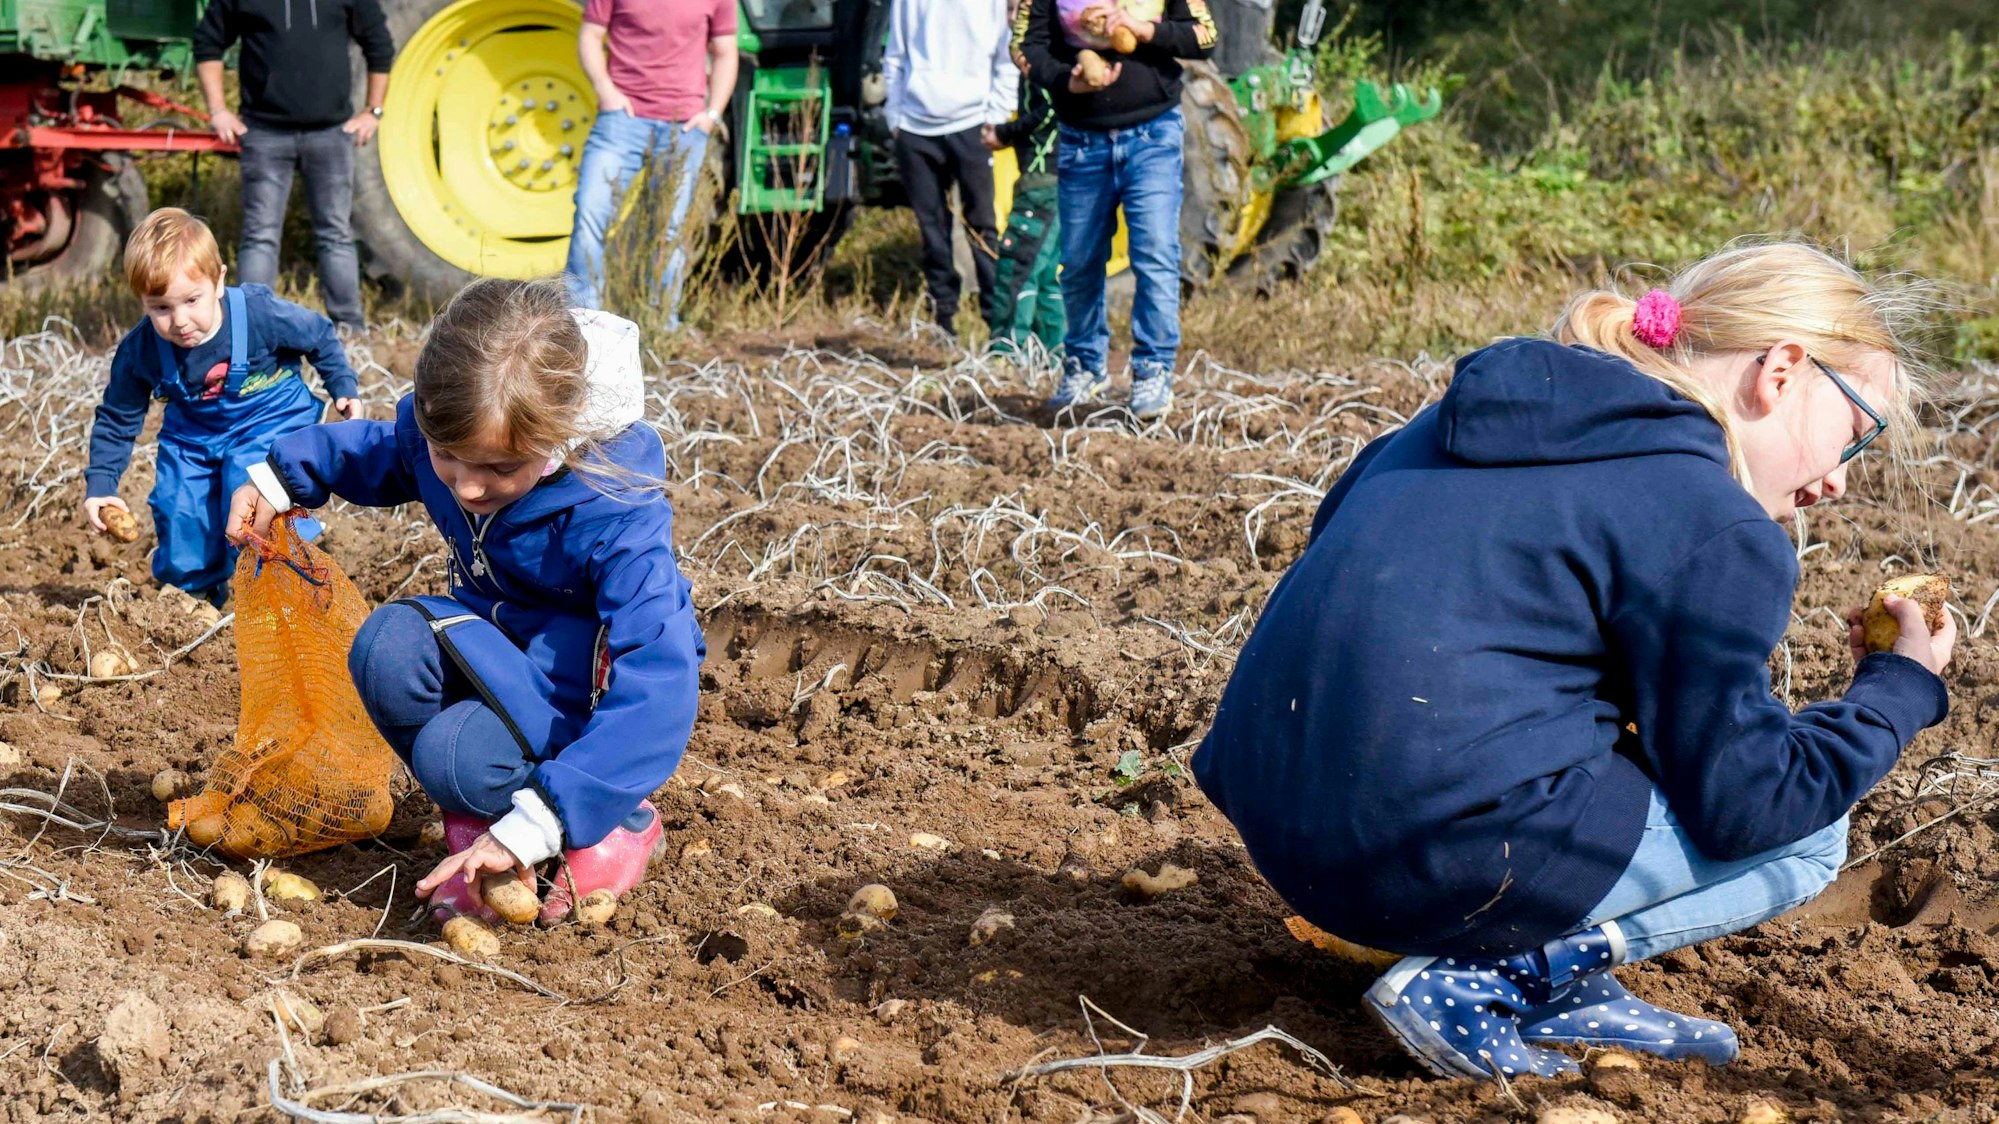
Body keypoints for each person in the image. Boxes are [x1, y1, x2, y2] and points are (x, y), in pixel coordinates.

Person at [1192, 243, 1953, 1080]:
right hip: (1412, 863)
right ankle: (1497, 975)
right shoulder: (1710, 522)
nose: (1840, 483)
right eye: (1856, 432)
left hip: (1280, 826)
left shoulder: (1435, 427)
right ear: (1780, 369)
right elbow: (1751, 803)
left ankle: (1561, 979)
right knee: (1811, 836)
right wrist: (1898, 689)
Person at [225, 278, 703, 926]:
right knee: (385, 648)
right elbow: (383, 451)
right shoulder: (444, 430)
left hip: (570, 700)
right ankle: (480, 819)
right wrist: (281, 478)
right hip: (490, 650)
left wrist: (544, 819)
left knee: (456, 755)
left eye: (500, 468)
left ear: (558, 434)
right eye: (448, 455)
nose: (469, 486)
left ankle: (604, 822)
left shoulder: (615, 510)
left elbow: (661, 676)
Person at [84, 208, 359, 605]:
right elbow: (116, 418)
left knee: (246, 485)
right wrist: (101, 486)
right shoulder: (140, 351)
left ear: (218, 282)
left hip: (268, 417)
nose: (179, 321)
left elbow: (318, 335)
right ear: (142, 302)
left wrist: (343, 385)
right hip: (193, 434)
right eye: (160, 307)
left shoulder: (258, 314)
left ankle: (283, 585)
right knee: (179, 508)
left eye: (191, 300)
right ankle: (191, 599)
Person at [1015, 1, 1217, 421]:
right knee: (1079, 262)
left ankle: (1153, 369)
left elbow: (1205, 36)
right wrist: (1065, 82)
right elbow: (1024, 46)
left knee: (1155, 253)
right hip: (1081, 140)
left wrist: (1145, 31)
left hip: (1153, 134)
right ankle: (1085, 364)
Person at [193, 0, 395, 331]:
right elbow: (207, 42)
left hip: (331, 134)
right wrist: (218, 110)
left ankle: (351, 332)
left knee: (335, 234)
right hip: (264, 134)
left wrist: (373, 111)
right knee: (260, 235)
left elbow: (380, 45)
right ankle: (253, 330)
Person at [565, 0, 739, 327]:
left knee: (668, 229)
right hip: (622, 121)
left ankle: (659, 324)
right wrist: (607, 93)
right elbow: (590, 36)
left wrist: (712, 114)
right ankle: (582, 323)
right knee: (590, 211)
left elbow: (726, 51)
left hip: (684, 128)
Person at [884, 0, 1017, 336]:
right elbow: (895, 55)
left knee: (983, 226)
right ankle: (942, 322)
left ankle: (998, 326)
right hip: (916, 128)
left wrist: (996, 116)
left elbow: (1006, 57)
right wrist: (896, 118)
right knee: (933, 230)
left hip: (973, 123)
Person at [983, 29, 1065, 367]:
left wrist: (1004, 133)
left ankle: (1005, 353)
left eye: (1020, 10)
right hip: (1055, 182)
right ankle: (1055, 355)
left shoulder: (1045, 59)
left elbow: (1051, 110)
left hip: (1044, 181)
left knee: (1016, 265)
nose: (1014, 19)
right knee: (1044, 274)